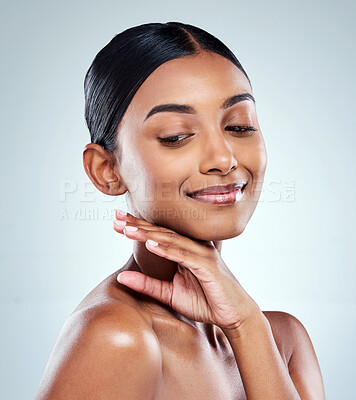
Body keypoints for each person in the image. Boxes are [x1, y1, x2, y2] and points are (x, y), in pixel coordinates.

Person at [34, 22, 326, 399]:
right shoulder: (117, 337)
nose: (223, 158)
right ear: (106, 170)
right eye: (176, 136)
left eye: (239, 126)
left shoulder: (282, 340)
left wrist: (246, 324)